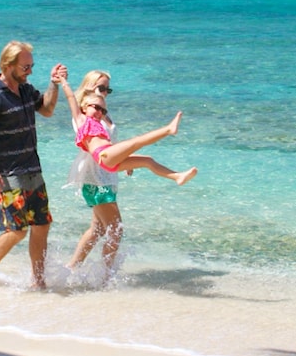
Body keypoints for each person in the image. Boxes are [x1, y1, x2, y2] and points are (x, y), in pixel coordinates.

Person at [58, 68, 196, 277]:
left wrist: (124, 160)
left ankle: (73, 267)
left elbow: (112, 143)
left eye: (108, 90)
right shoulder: (82, 116)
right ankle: (105, 276)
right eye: (101, 87)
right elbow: (71, 99)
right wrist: (63, 82)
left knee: (98, 228)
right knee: (115, 228)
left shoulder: (103, 113)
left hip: (108, 170)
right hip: (97, 175)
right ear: (88, 92)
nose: (104, 93)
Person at [0, 40, 67, 295]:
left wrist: (54, 84)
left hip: (34, 171)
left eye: (31, 66)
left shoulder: (25, 89)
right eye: (25, 67)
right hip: (9, 175)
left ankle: (38, 280)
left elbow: (46, 109)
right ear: (8, 65)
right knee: (16, 230)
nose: (29, 71)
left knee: (42, 225)